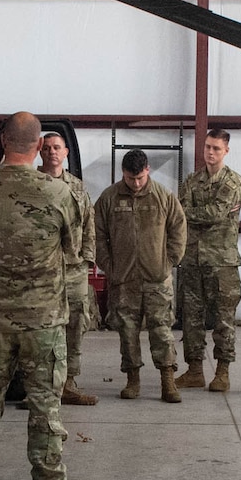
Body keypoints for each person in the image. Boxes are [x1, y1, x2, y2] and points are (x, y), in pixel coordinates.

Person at [0, 113, 92, 480]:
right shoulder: (58, 193)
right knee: (45, 410)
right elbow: (71, 252)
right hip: (43, 321)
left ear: (1, 140)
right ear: (37, 147)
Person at [94, 149, 189, 402]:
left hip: (157, 279)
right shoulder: (109, 198)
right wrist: (108, 265)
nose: (135, 184)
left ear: (147, 170)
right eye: (130, 178)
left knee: (162, 330)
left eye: (139, 178)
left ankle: (167, 381)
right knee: (127, 331)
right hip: (123, 280)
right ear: (123, 173)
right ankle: (132, 380)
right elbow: (96, 234)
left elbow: (178, 229)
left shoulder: (163, 197)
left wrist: (169, 261)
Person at [178, 129, 241, 393]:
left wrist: (190, 213)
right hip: (193, 259)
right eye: (208, 147)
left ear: (226, 151)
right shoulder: (192, 180)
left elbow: (215, 214)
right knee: (191, 318)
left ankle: (222, 371)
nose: (210, 152)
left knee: (223, 319)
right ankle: (195, 370)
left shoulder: (233, 182)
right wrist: (193, 213)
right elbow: (179, 212)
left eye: (216, 148)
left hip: (222, 262)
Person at [39, 132, 100, 407]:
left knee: (76, 325)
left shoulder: (77, 187)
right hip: (43, 270)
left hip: (74, 269)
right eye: (47, 147)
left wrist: (86, 260)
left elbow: (89, 225)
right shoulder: (34, 185)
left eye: (57, 148)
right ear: (40, 152)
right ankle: (42, 386)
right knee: (41, 328)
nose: (52, 152)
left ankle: (68, 383)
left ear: (65, 153)